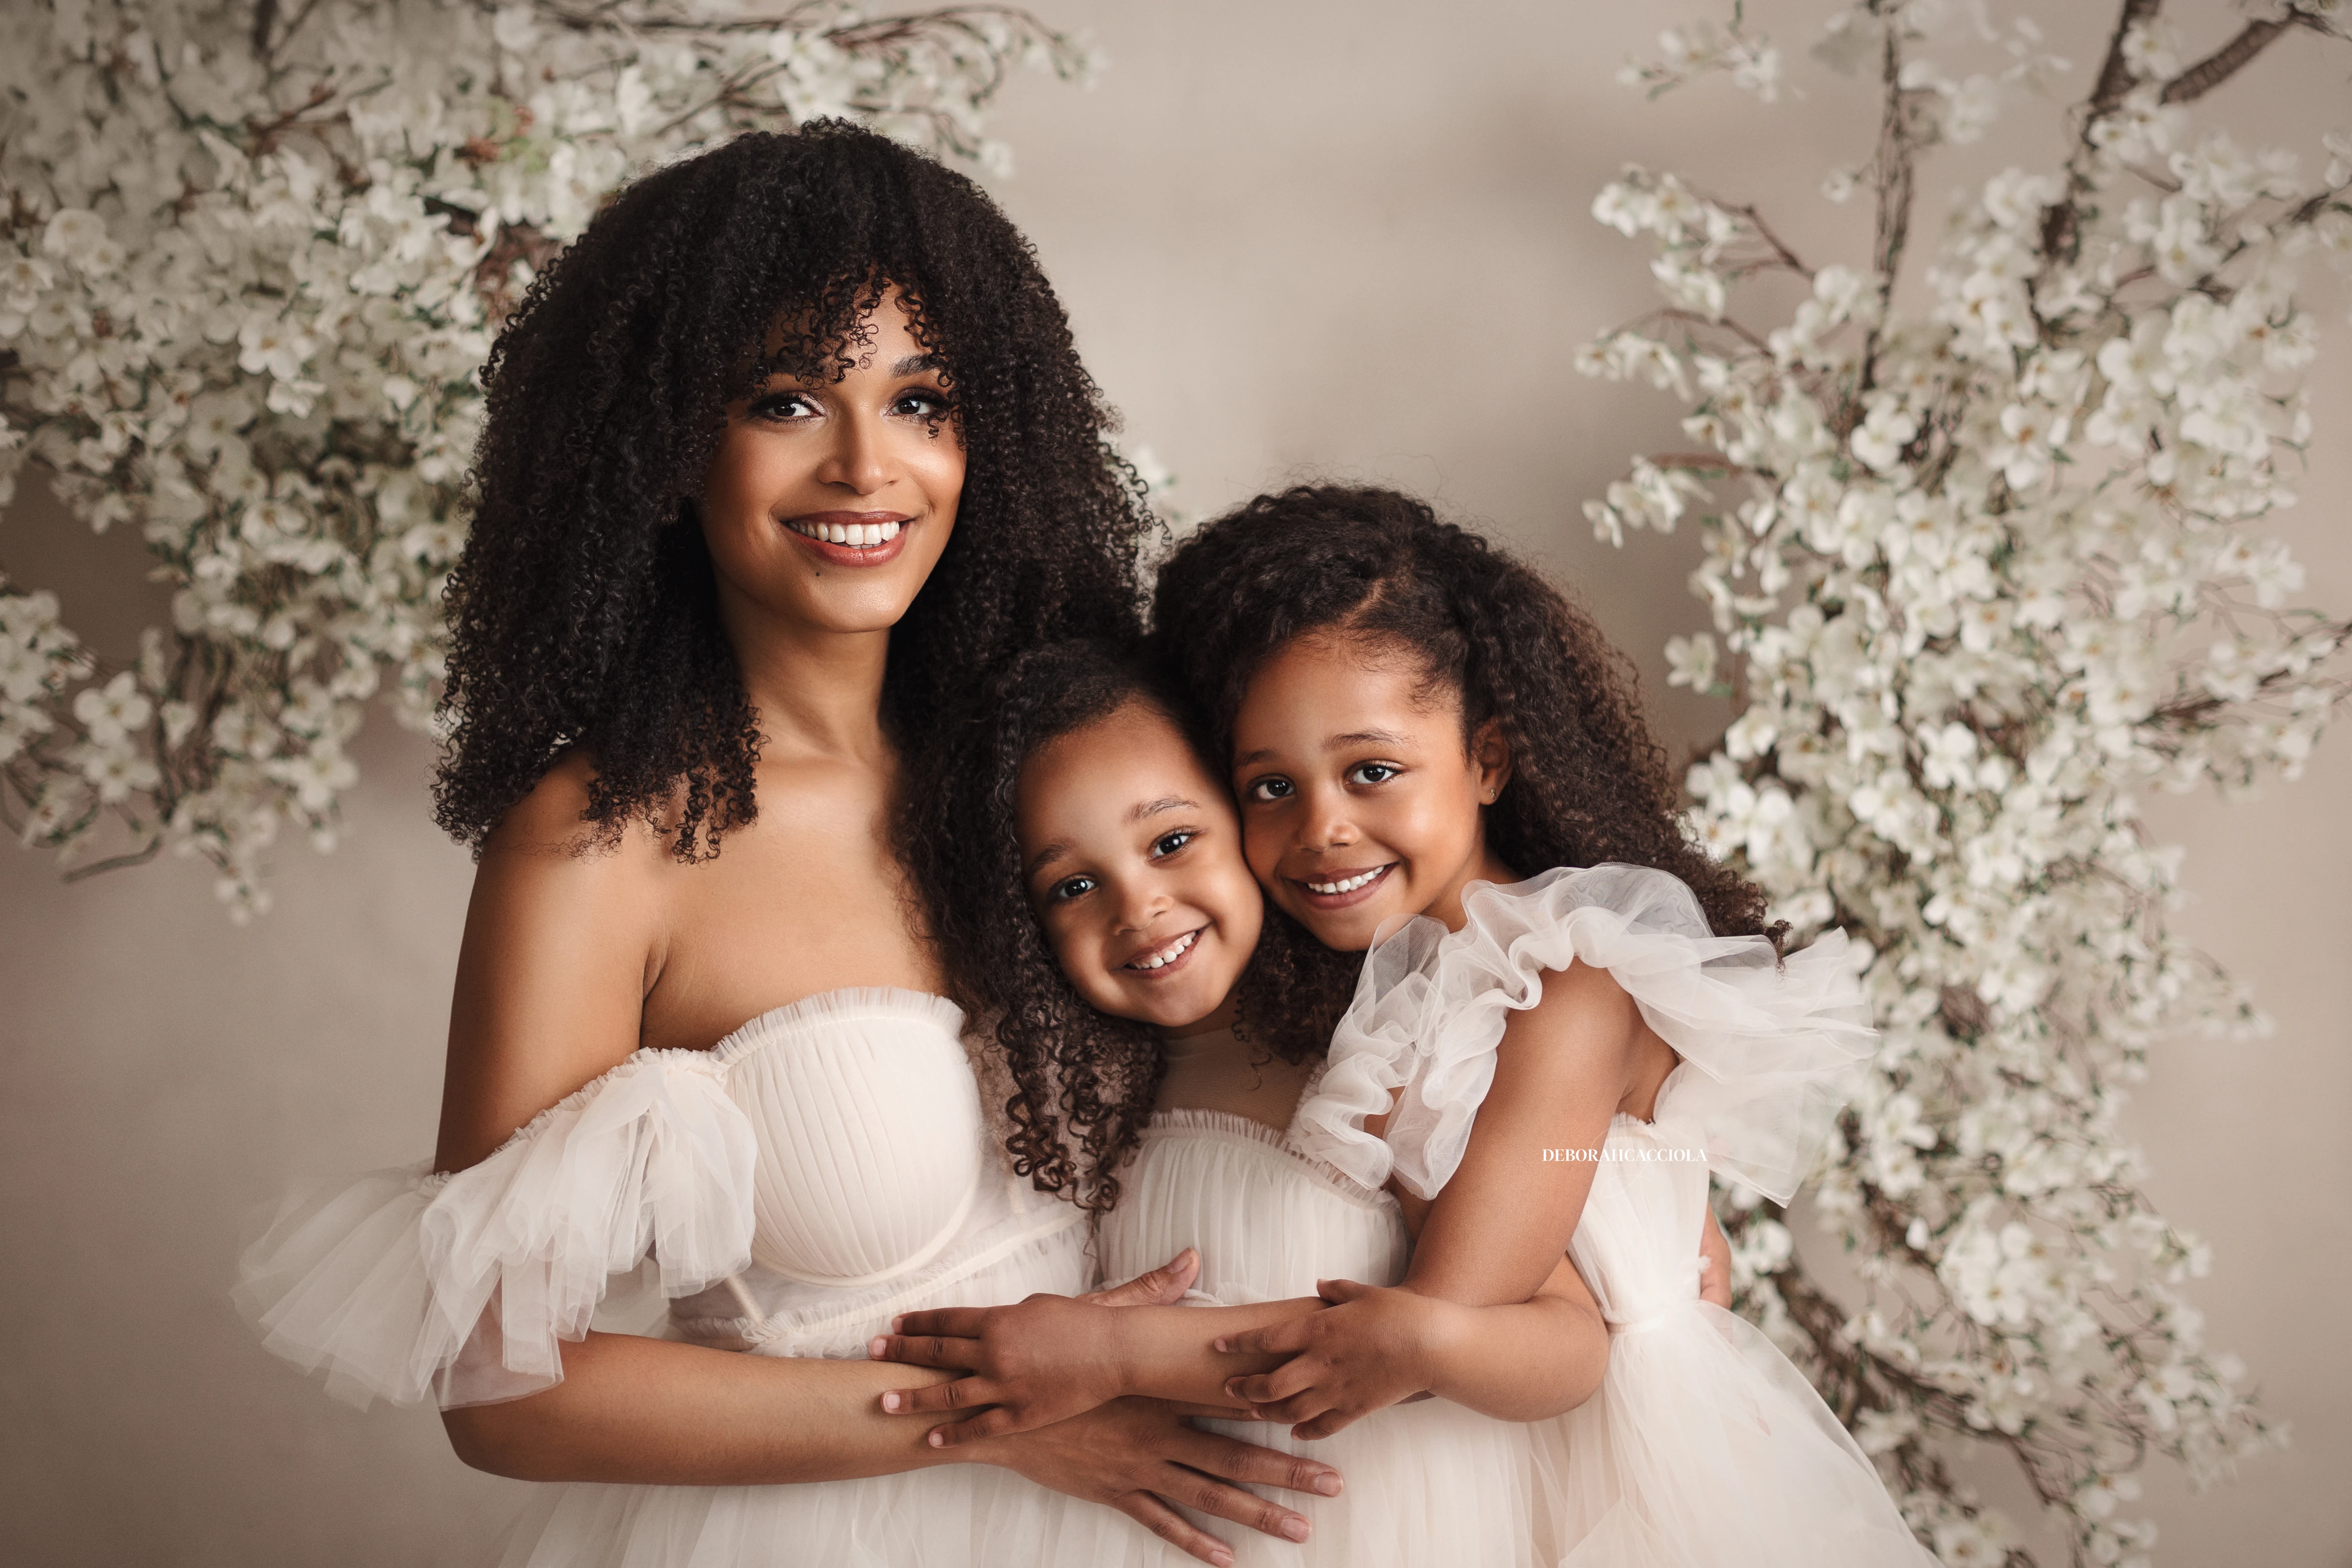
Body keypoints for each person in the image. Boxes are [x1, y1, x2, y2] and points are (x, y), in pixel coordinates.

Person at [234, 124, 1337, 1568]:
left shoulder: (1072, 760)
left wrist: (1611, 1178)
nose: (868, 465)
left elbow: (1400, 900)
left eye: (921, 398)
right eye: (785, 399)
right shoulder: (602, 844)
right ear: (662, 441)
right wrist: (994, 1413)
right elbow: (502, 1390)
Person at [1147, 484, 1939, 1566]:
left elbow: (1436, 1317)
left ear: (1485, 758)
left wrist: (1104, 1354)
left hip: (1621, 1478)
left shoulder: (1566, 985)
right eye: (1270, 785)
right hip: (1471, 1467)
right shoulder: (1370, 990)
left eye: (1370, 771)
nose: (1321, 828)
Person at [877, 638, 1620, 1563]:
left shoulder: (1373, 1064)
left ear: (1241, 818)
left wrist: (1420, 1340)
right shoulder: (1078, 1102)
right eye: (1073, 885)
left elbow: (1569, 1347)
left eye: (1173, 841)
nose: (1139, 906)